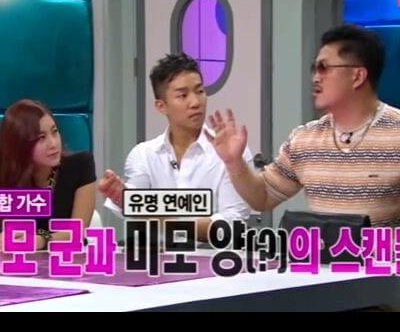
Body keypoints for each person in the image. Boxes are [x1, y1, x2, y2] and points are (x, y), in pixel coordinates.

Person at [206, 24, 400, 228]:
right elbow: (262, 197)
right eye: (314, 69)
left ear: (357, 76)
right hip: (319, 250)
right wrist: (234, 163)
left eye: (324, 68)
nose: (315, 78)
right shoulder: (305, 139)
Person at [98, 52, 253, 241]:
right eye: (183, 95)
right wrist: (122, 197)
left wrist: (167, 222)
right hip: (157, 257)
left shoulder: (231, 154)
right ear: (161, 106)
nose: (195, 102)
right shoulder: (143, 155)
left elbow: (232, 221)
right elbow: (135, 205)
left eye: (200, 91)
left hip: (214, 256)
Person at [0, 99, 96, 251]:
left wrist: (42, 240)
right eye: (41, 137)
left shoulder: (80, 165)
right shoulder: (7, 176)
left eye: (54, 132)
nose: (53, 144)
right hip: (17, 261)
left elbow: (78, 232)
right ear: (20, 143)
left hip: (67, 260)